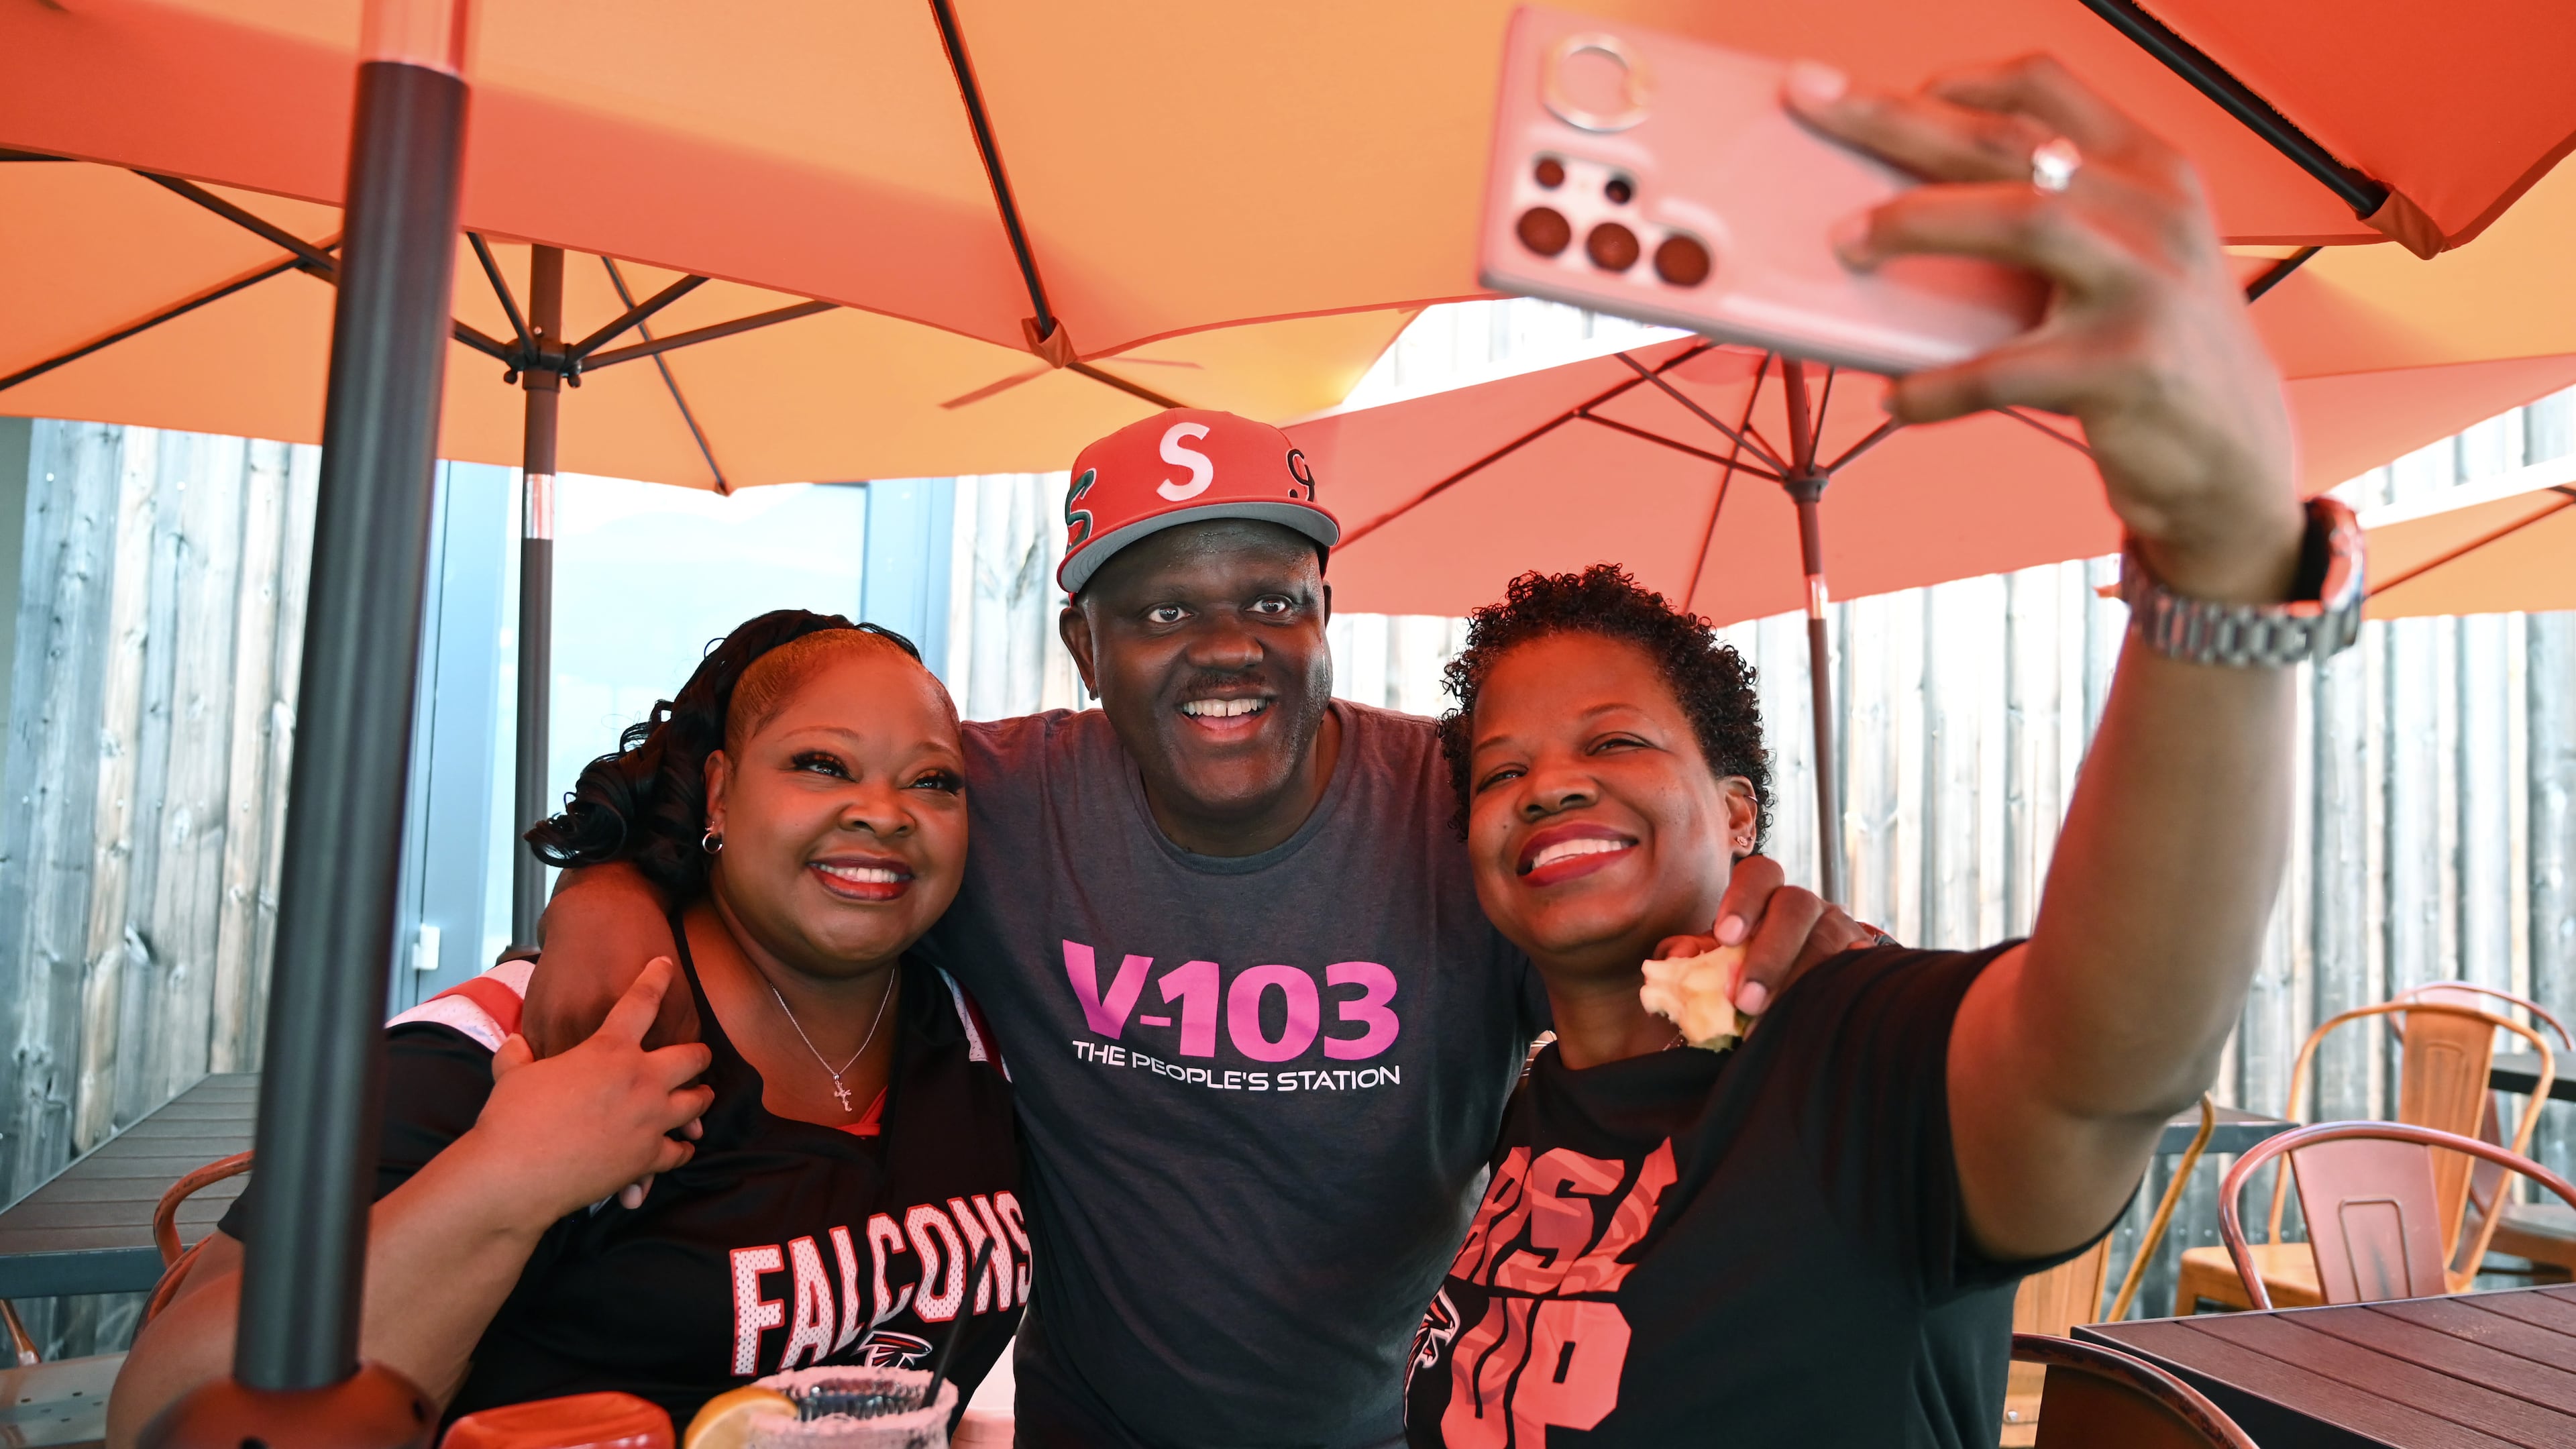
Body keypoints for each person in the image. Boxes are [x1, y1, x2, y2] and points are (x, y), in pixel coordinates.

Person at [525, 413, 1871, 1445]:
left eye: (1272, 600)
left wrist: (1798, 954)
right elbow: (789, 823)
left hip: (1383, 1433)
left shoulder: (1464, 806)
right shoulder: (986, 800)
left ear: (1326, 617)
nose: (1228, 644)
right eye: (1165, 610)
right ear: (1084, 644)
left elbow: (1651, 933)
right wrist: (610, 889)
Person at [1403, 58, 2356, 1446]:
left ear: (1737, 813)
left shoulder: (1847, 1058)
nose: (1549, 782)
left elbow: (2109, 1058)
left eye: (1614, 741)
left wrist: (2218, 571)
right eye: (1500, 770)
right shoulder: (1527, 1112)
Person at [111, 616, 1024, 1442]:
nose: (884, 811)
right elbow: (164, 1409)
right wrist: (510, 1177)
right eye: (821, 763)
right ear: (718, 793)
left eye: (933, 781)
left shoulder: (994, 1032)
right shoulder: (509, 1037)